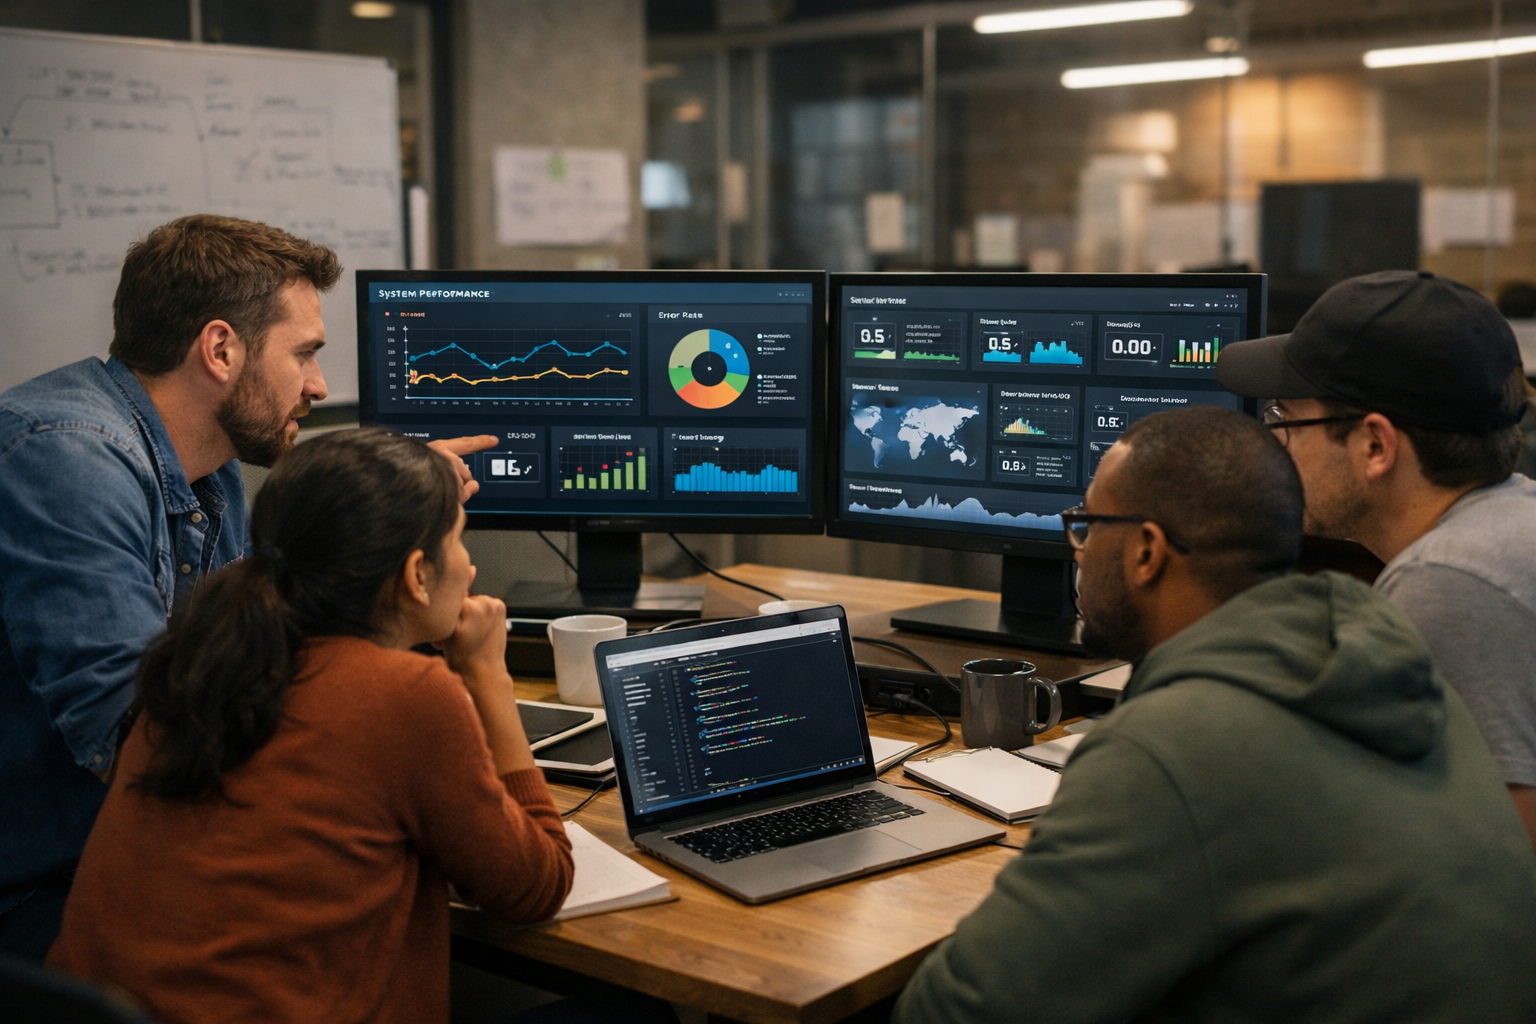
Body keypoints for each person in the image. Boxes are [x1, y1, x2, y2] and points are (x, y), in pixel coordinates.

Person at [894, 406, 1536, 1024]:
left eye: (1087, 526)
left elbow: (961, 1010)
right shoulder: (1387, 661)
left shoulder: (1168, 748)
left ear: (1147, 551)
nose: (1079, 551)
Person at [0, 214, 495, 959]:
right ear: (221, 349)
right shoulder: (66, 459)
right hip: (49, 894)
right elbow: (138, 736)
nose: (320, 386)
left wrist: (384, 496)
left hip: (152, 853)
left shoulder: (211, 461)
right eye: (304, 355)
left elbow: (261, 656)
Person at [47, 428, 573, 1023]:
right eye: (458, 541)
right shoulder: (406, 695)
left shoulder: (197, 661)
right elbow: (537, 885)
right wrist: (486, 676)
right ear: (417, 575)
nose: (472, 566)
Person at [1216, 269, 1536, 847]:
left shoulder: (1447, 580)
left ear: (1375, 446)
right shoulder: (1512, 518)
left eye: (1285, 419)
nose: (1274, 442)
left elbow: (1500, 853)